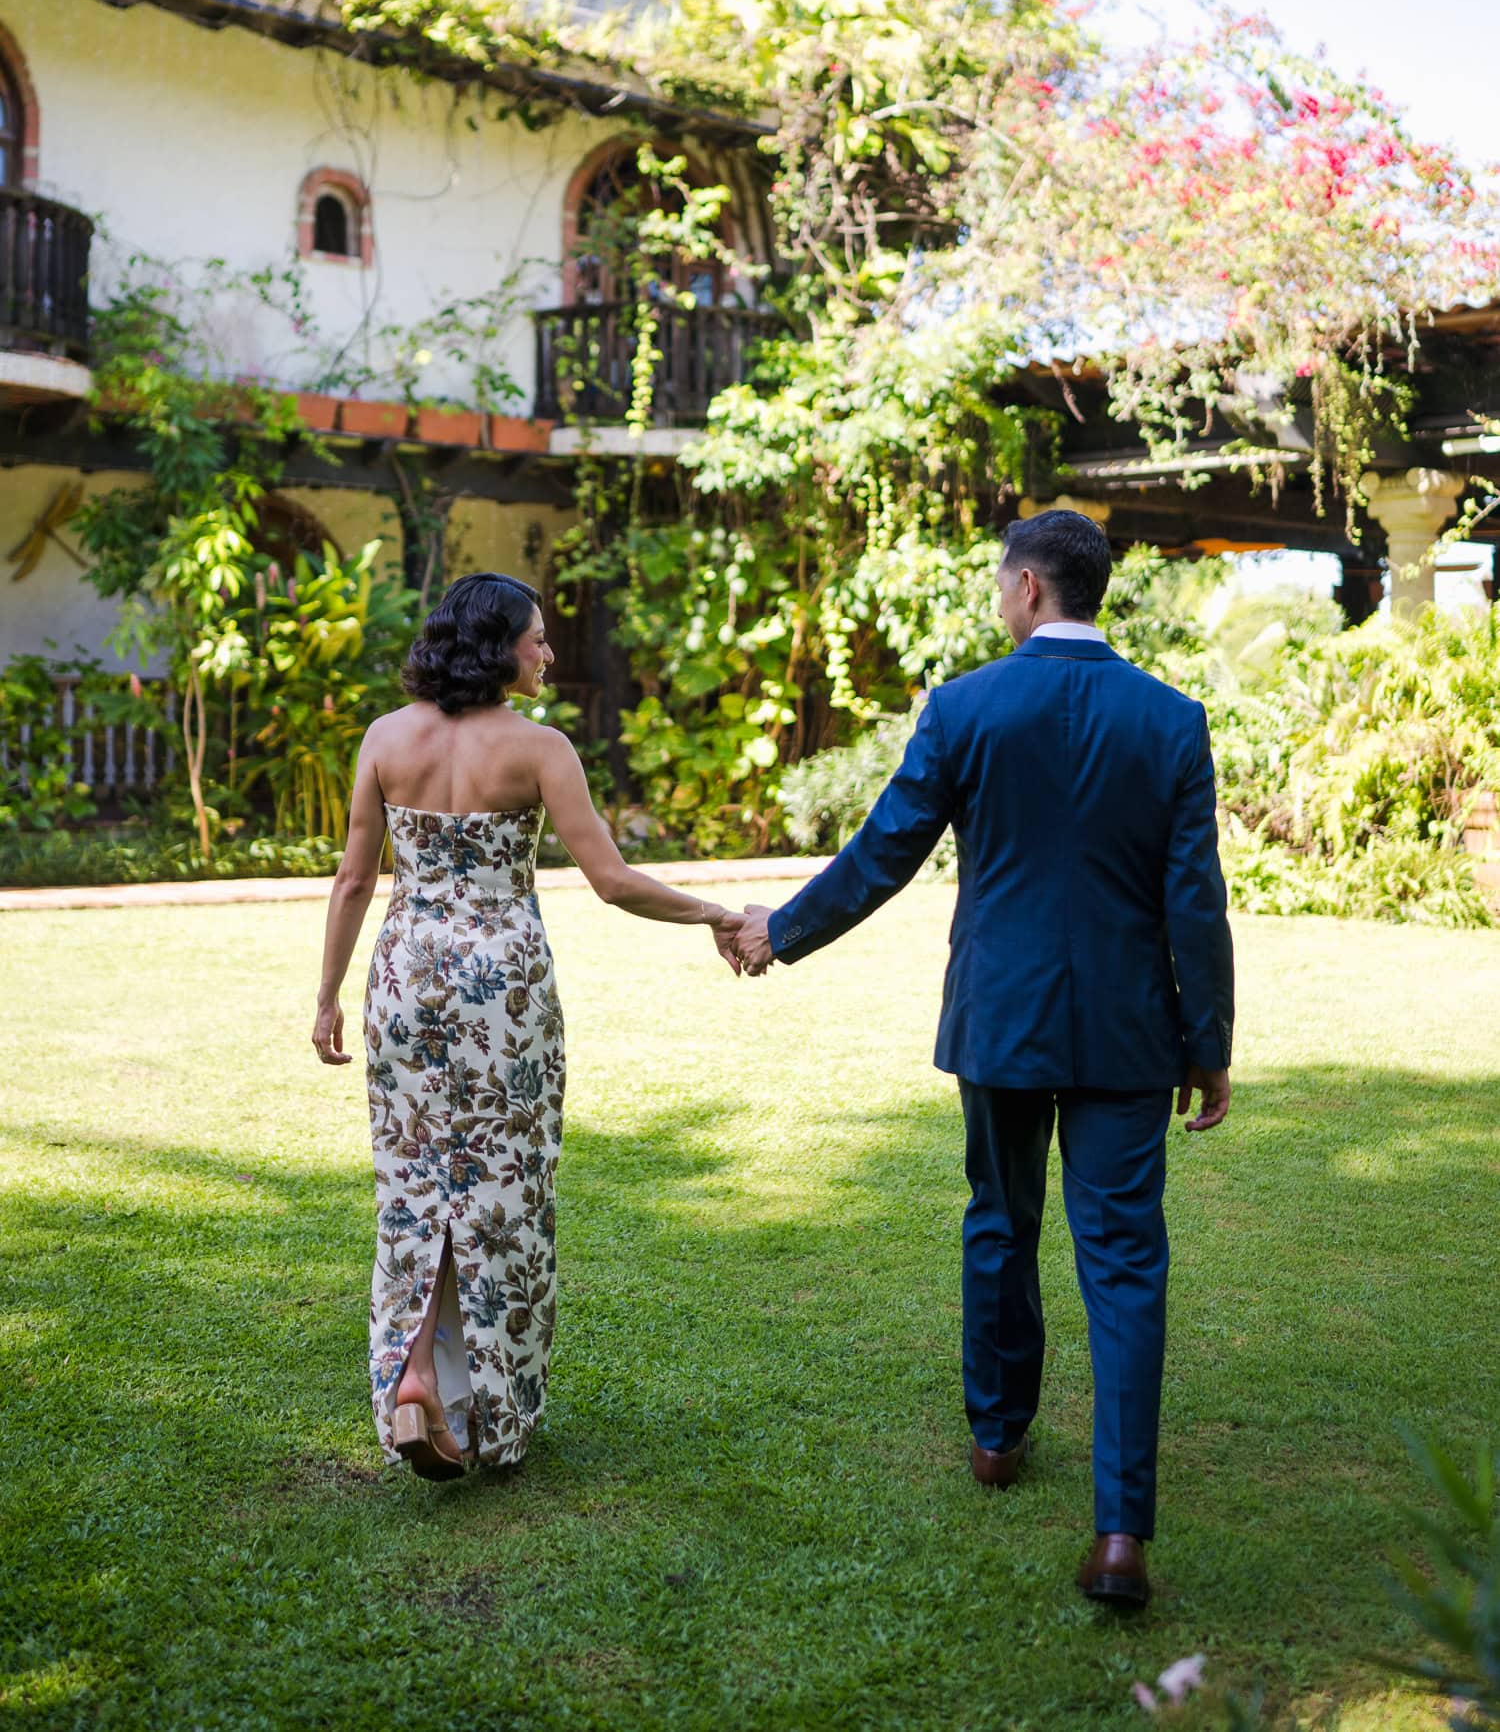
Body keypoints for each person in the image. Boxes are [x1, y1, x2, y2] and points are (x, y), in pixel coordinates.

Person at [731, 508, 1234, 1606]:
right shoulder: (1171, 720)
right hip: (1131, 1033)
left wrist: (782, 931)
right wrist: (1212, 1047)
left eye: (1001, 583)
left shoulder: (965, 708)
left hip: (1003, 1021)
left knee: (1001, 1222)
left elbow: (885, 853)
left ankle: (998, 1439)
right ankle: (1119, 1534)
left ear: (1026, 589)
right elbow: (1195, 899)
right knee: (1125, 1261)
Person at [312, 572, 746, 1481]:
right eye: (537, 639)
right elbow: (615, 881)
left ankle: (418, 1375)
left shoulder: (387, 738)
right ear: (497, 645)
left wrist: (328, 995)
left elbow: (354, 880)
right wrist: (713, 913)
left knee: (417, 1189)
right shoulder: (540, 748)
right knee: (503, 1195)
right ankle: (489, 1413)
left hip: (407, 979)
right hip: (502, 995)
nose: (548, 653)